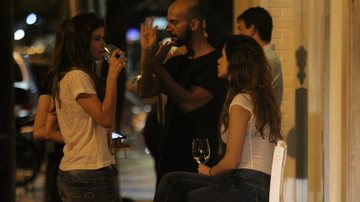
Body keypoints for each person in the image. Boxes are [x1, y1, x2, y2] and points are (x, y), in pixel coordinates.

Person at [153, 35, 282, 202]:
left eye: (223, 56)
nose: (218, 61)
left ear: (235, 62)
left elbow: (232, 161)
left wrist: (211, 171)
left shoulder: (241, 102)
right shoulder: (255, 98)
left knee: (184, 190)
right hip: (254, 183)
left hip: (249, 186)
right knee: (174, 181)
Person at [138, 0, 227, 184]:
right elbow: (145, 90)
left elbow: (189, 103)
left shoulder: (215, 64)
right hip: (170, 156)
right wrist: (147, 54)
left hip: (199, 159)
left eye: (174, 22)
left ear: (194, 24)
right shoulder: (177, 61)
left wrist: (158, 67)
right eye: (168, 22)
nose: (169, 28)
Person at [48, 12, 126, 201]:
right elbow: (105, 118)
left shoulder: (69, 76)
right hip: (90, 172)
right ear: (81, 42)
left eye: (103, 38)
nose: (103, 44)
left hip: (77, 171)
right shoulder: (77, 77)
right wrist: (112, 76)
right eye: (96, 39)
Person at [33, 20, 70, 202]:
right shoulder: (56, 79)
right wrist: (82, 139)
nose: (103, 45)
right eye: (96, 38)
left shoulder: (91, 75)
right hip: (65, 164)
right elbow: (40, 130)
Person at [237, 6, 283, 106]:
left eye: (241, 29)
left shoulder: (264, 59)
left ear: (252, 29)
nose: (239, 34)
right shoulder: (267, 57)